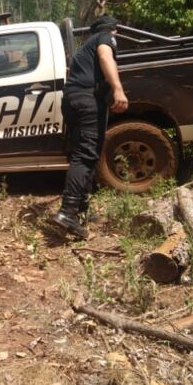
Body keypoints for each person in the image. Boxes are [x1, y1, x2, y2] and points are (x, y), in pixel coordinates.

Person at [51, 15, 128, 239]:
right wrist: (118, 89)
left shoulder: (84, 47)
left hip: (73, 100)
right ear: (114, 30)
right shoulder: (105, 38)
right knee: (85, 156)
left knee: (84, 154)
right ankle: (68, 213)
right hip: (86, 100)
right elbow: (106, 55)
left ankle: (82, 210)